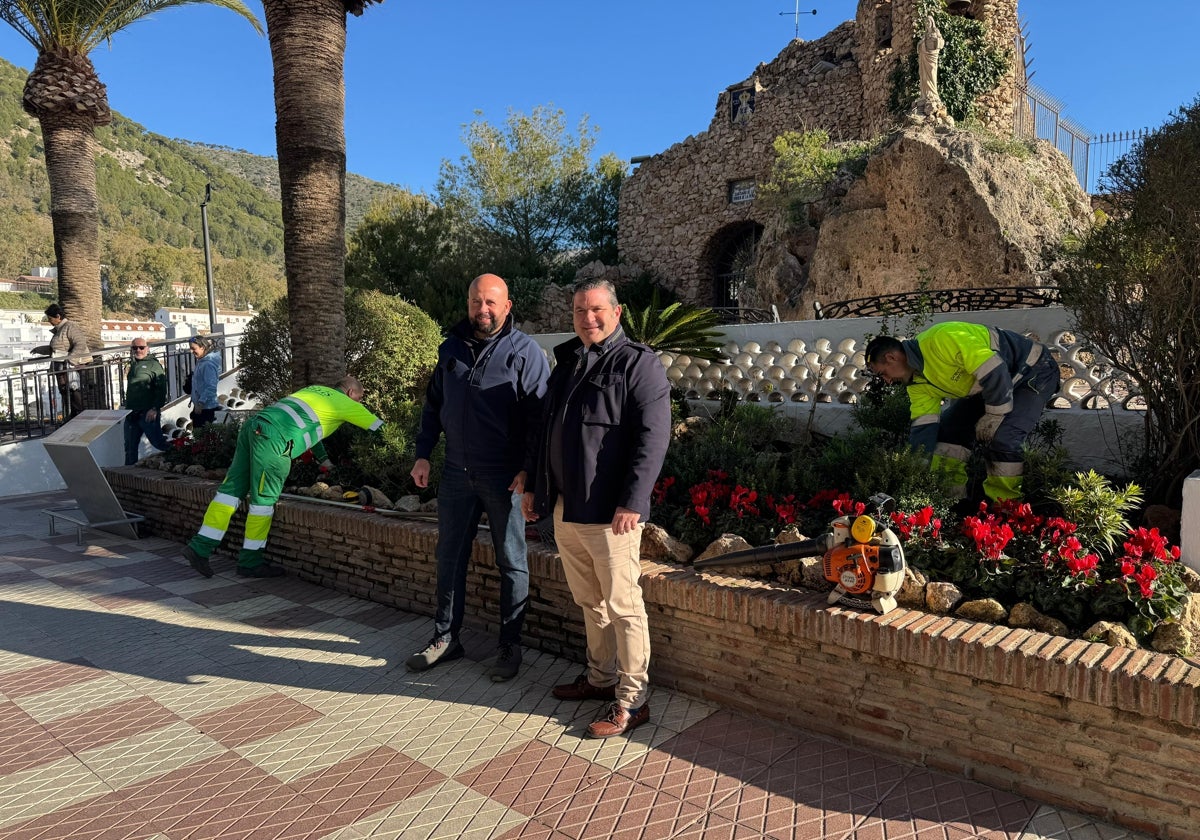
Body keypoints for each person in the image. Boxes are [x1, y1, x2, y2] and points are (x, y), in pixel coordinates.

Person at [522, 278, 671, 739]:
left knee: (625, 605)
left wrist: (634, 501)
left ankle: (632, 699)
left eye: (596, 310)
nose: (588, 318)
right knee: (590, 600)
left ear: (617, 311)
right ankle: (600, 677)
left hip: (611, 513)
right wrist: (533, 486)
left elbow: (653, 438)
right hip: (567, 508)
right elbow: (544, 429)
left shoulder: (638, 364)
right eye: (580, 311)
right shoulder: (567, 360)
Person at [405, 273, 549, 682]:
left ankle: (509, 645)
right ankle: (445, 638)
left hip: (505, 477)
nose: (481, 310)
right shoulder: (451, 349)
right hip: (455, 473)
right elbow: (434, 406)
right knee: (449, 556)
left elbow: (539, 421)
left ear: (507, 306)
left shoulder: (526, 353)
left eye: (490, 303)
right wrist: (422, 455)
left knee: (512, 561)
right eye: (474, 302)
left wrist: (528, 470)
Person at [182, 375, 382, 579]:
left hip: (254, 427)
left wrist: (324, 460)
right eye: (360, 398)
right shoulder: (347, 403)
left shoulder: (314, 390)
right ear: (350, 393)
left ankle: (199, 547)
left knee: (230, 491)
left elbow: (309, 428)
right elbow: (380, 429)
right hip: (274, 440)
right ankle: (250, 562)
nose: (360, 403)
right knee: (263, 502)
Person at [864, 321, 1060, 503]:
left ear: (891, 358)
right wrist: (916, 468)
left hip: (1033, 371)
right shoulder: (916, 383)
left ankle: (1005, 509)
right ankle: (951, 502)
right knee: (948, 433)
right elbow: (923, 428)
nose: (887, 381)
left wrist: (994, 415)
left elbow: (994, 369)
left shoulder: (941, 339)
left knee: (1003, 438)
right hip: (990, 386)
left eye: (883, 374)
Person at [31, 303, 94, 420]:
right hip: (62, 366)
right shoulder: (60, 330)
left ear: (58, 316)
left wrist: (70, 359)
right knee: (66, 392)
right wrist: (39, 350)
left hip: (70, 365)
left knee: (73, 391)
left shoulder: (69, 327)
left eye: (50, 318)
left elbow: (80, 343)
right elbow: (56, 349)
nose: (49, 321)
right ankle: (74, 416)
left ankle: (79, 416)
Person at [122, 339, 170, 465]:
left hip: (147, 412)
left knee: (158, 442)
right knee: (130, 448)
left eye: (141, 347)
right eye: (135, 348)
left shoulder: (153, 365)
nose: (138, 350)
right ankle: (129, 477)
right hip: (131, 413)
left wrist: (155, 408)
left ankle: (181, 459)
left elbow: (161, 388)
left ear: (147, 348)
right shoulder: (132, 363)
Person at [188, 335, 221, 429]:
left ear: (202, 347)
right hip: (201, 406)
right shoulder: (201, 361)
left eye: (193, 348)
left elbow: (211, 386)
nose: (191, 351)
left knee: (202, 438)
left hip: (206, 407)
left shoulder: (207, 365)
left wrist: (200, 403)